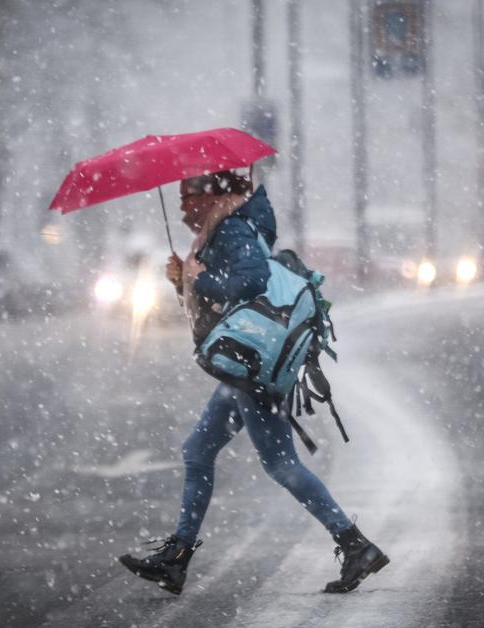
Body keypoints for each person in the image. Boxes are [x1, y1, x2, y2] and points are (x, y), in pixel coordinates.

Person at [118, 170, 388, 595]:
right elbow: (227, 297)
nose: (183, 207)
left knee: (281, 464)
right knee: (198, 451)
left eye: (188, 197)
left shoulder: (231, 228)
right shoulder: (225, 227)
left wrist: (196, 278)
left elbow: (250, 281)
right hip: (250, 362)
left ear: (211, 197)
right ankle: (177, 557)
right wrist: (183, 281)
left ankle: (354, 545)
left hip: (253, 365)